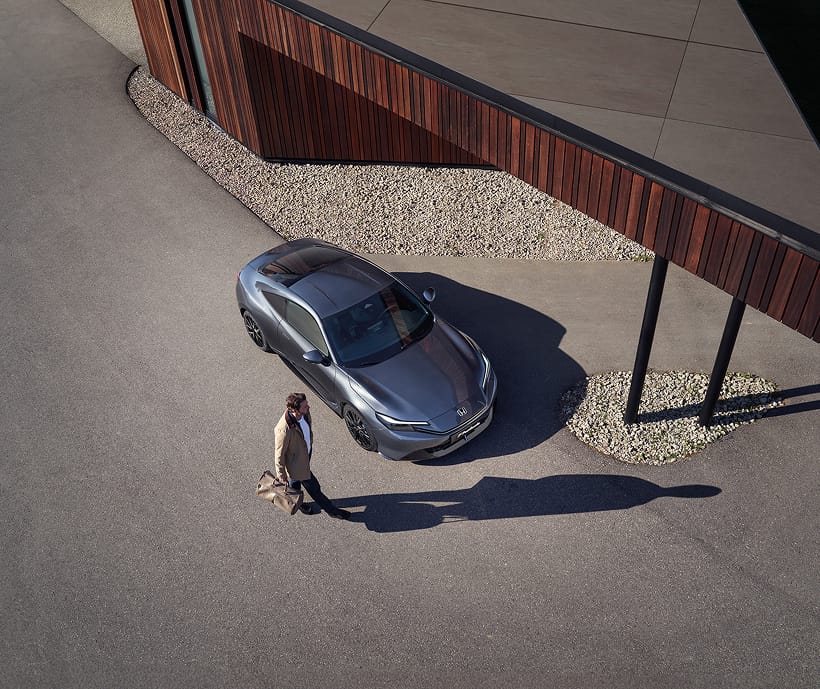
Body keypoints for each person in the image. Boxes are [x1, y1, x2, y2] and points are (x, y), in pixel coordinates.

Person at [274, 392, 351, 520]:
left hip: (304, 457)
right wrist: (281, 474)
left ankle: (296, 503)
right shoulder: (283, 429)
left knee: (294, 485)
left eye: (307, 404)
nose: (308, 407)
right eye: (304, 406)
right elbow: (279, 453)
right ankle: (332, 511)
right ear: (294, 410)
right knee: (315, 489)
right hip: (297, 465)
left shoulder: (304, 414)